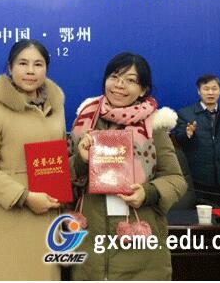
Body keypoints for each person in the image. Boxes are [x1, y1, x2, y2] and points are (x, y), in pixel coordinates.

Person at [70, 52, 187, 280]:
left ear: (143, 90)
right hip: (90, 248)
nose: (119, 85)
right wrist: (81, 161)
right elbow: (64, 179)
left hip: (140, 248)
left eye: (130, 80)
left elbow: (176, 179)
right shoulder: (84, 121)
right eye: (114, 77)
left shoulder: (154, 126)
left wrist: (148, 192)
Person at [0, 40, 66, 281]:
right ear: (10, 67)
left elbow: (59, 157)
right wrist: (24, 196)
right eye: (23, 63)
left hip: (48, 214)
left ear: (46, 68)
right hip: (7, 217)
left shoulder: (57, 108)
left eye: (38, 64)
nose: (30, 71)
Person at [173, 74, 220, 208]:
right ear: (199, 91)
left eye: (214, 89)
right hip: (197, 179)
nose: (210, 92)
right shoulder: (185, 114)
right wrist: (188, 134)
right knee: (198, 217)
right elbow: (179, 139)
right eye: (206, 89)